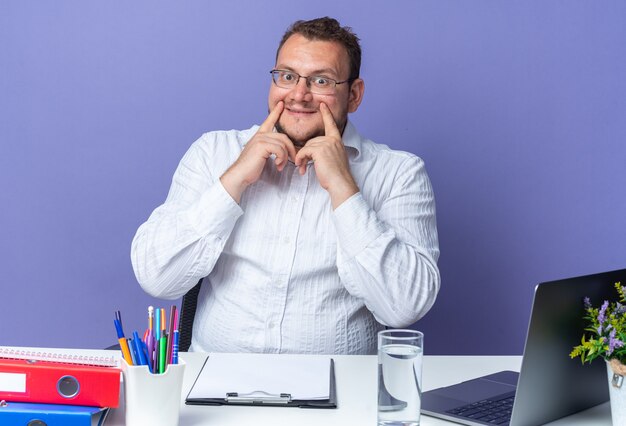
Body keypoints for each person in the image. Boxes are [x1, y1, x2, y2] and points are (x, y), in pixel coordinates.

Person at [131, 17, 440, 355]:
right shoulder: (213, 152)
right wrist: (233, 180)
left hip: (344, 393)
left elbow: (404, 307)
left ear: (353, 95)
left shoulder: (400, 172)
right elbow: (157, 278)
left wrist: (343, 188)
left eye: (321, 80)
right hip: (214, 382)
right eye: (287, 76)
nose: (298, 95)